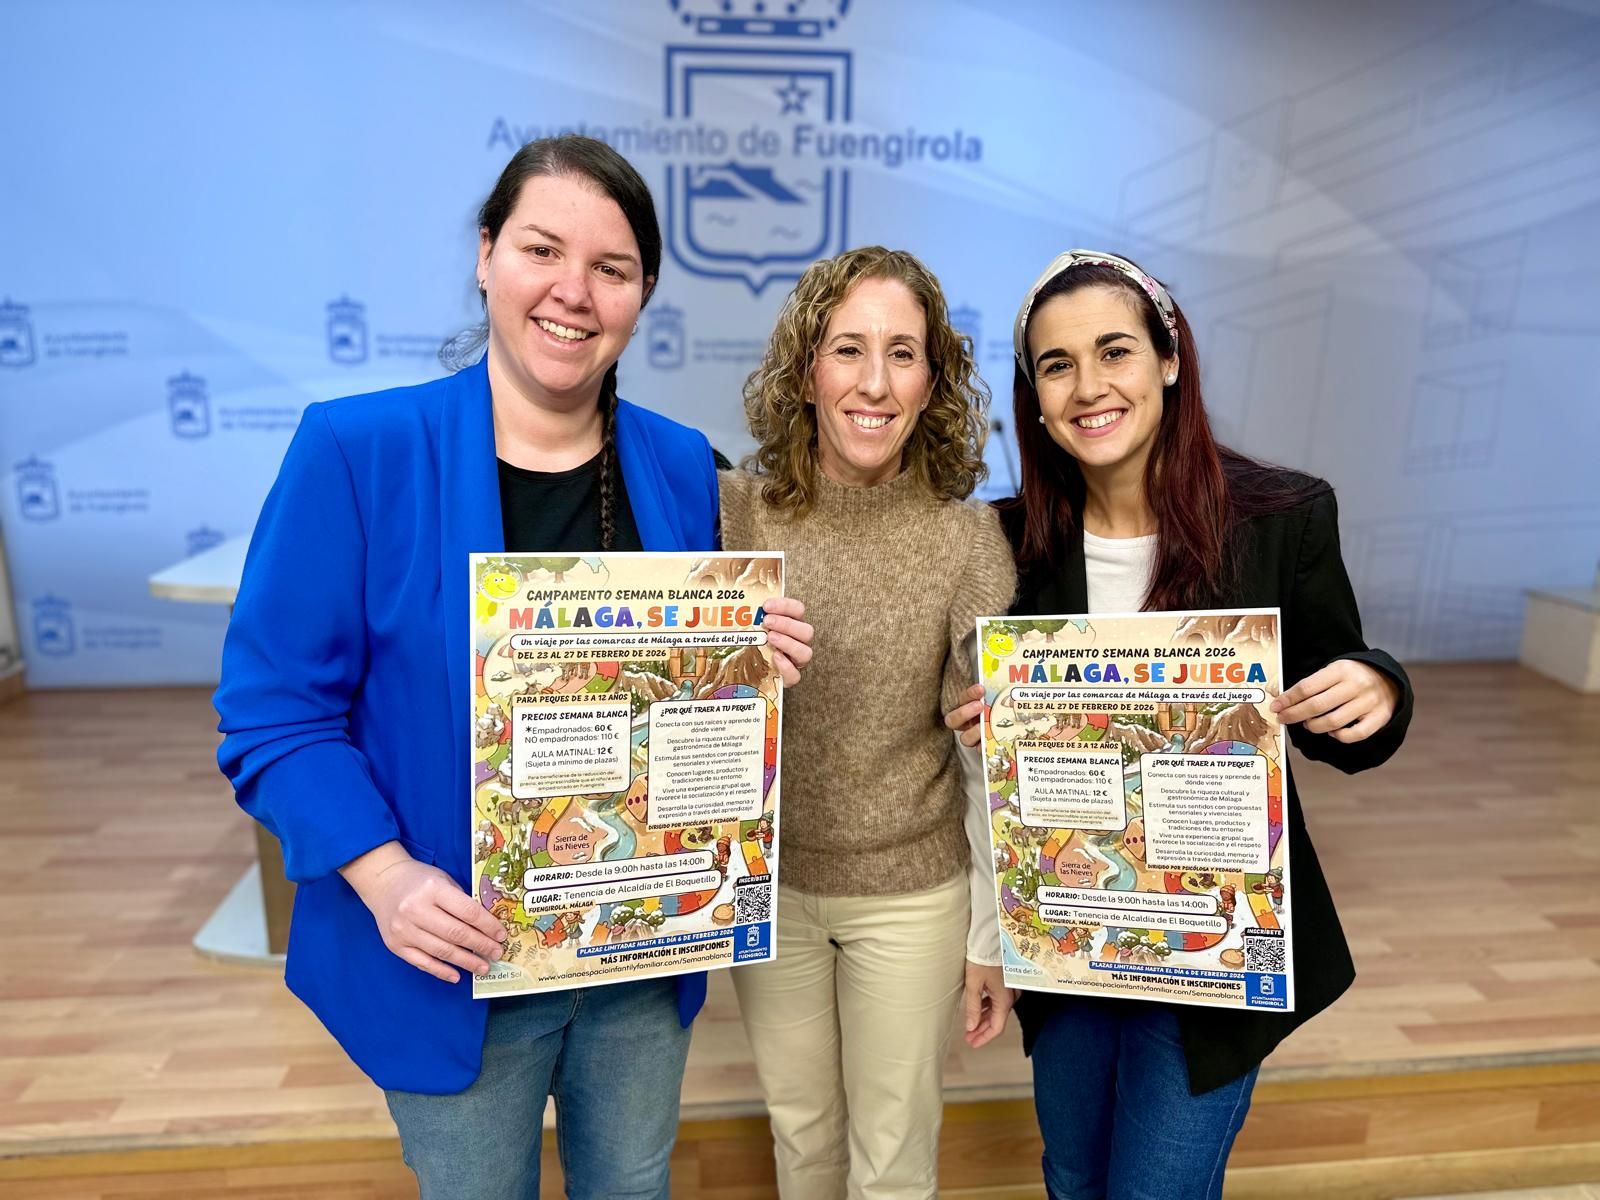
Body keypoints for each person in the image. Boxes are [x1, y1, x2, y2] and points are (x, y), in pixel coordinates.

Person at [213, 135, 813, 1200]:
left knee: (631, 1183)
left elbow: (670, 698)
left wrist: (742, 663)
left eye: (611, 268)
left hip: (637, 949)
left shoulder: (682, 463)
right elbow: (274, 718)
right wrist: (383, 875)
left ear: (641, 296)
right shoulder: (358, 451)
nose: (573, 291)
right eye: (542, 250)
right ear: (486, 255)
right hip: (451, 958)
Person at [945, 249, 1413, 1200]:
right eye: (1057, 365)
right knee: (1075, 1177)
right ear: (1035, 398)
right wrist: (975, 726)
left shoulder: (1280, 518)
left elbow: (1333, 712)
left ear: (1168, 360)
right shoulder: (1008, 541)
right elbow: (977, 745)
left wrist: (1378, 687)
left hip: (1214, 942)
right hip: (1073, 931)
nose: (1089, 386)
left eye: (1114, 351)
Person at [719, 245, 1017, 1199]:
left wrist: (989, 938)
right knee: (802, 1138)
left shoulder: (967, 538)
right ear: (806, 369)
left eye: (903, 353)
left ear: (934, 381)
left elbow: (983, 755)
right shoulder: (733, 518)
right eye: (848, 349)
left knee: (893, 1159)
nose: (875, 383)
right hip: (770, 890)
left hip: (913, 893)